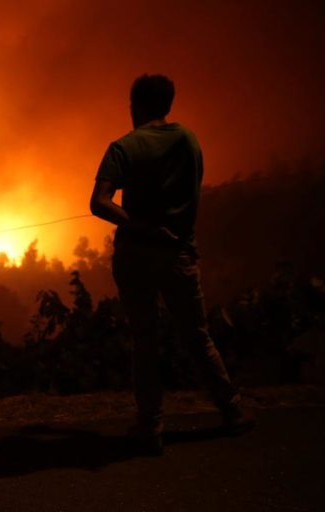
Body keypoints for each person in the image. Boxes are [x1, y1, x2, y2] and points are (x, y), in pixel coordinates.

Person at [89, 75, 254, 455]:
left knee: (144, 340)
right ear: (168, 104)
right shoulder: (189, 141)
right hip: (180, 253)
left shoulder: (123, 147)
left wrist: (139, 223)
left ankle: (151, 428)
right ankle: (233, 412)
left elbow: (99, 202)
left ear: (135, 105)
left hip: (135, 254)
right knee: (197, 336)